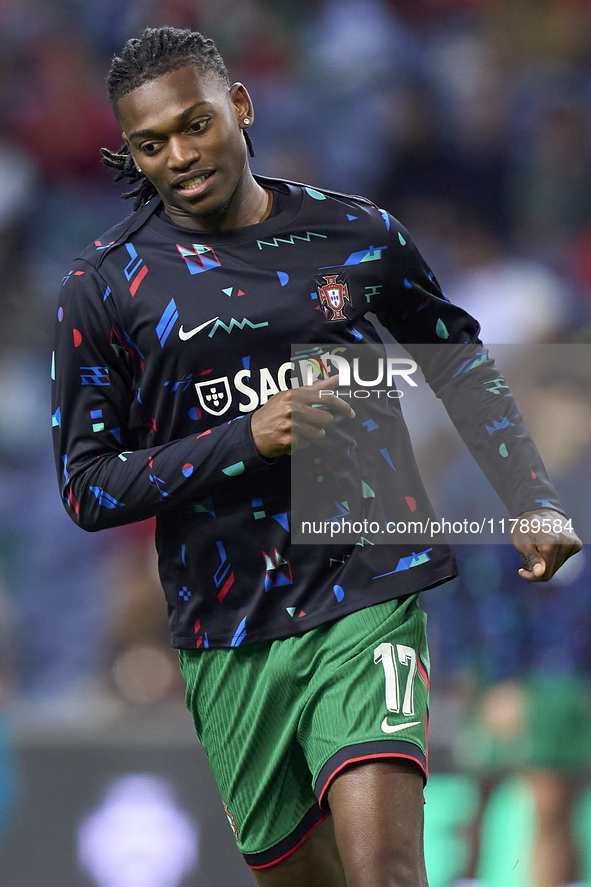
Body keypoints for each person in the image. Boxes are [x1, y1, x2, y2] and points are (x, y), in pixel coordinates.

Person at [51, 27, 582, 887]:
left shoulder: (355, 234)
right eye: (152, 144)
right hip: (228, 624)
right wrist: (248, 438)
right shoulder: (106, 288)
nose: (180, 155)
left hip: (364, 575)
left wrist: (527, 495)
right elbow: (86, 485)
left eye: (196, 124)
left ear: (241, 106)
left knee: (386, 872)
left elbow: (457, 360)